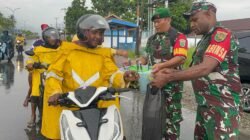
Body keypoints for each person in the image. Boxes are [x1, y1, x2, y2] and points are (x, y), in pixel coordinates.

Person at [152, 1, 242, 140]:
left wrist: (169, 77)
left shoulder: (222, 35)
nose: (191, 24)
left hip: (222, 108)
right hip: (205, 106)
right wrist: (171, 72)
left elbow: (205, 68)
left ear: (209, 14)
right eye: (190, 21)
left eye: (195, 19)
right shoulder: (205, 39)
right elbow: (195, 68)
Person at [41, 14, 139, 139]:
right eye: (95, 33)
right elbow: (54, 75)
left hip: (97, 108)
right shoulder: (66, 51)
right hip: (71, 107)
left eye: (101, 33)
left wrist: (124, 77)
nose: (99, 37)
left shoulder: (102, 54)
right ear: (83, 32)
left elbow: (112, 74)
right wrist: (55, 92)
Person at [141, 7, 188, 139]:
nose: (155, 25)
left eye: (158, 21)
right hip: (154, 83)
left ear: (168, 20)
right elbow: (145, 58)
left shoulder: (178, 37)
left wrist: (161, 65)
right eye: (154, 22)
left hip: (171, 86)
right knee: (153, 116)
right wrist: (136, 62)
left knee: (171, 118)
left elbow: (180, 58)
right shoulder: (151, 39)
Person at [24, 27, 62, 128]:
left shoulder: (61, 50)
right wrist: (31, 64)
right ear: (45, 38)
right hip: (40, 74)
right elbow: (31, 59)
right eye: (51, 37)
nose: (53, 39)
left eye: (55, 37)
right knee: (35, 93)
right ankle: (33, 115)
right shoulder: (38, 50)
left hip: (56, 76)